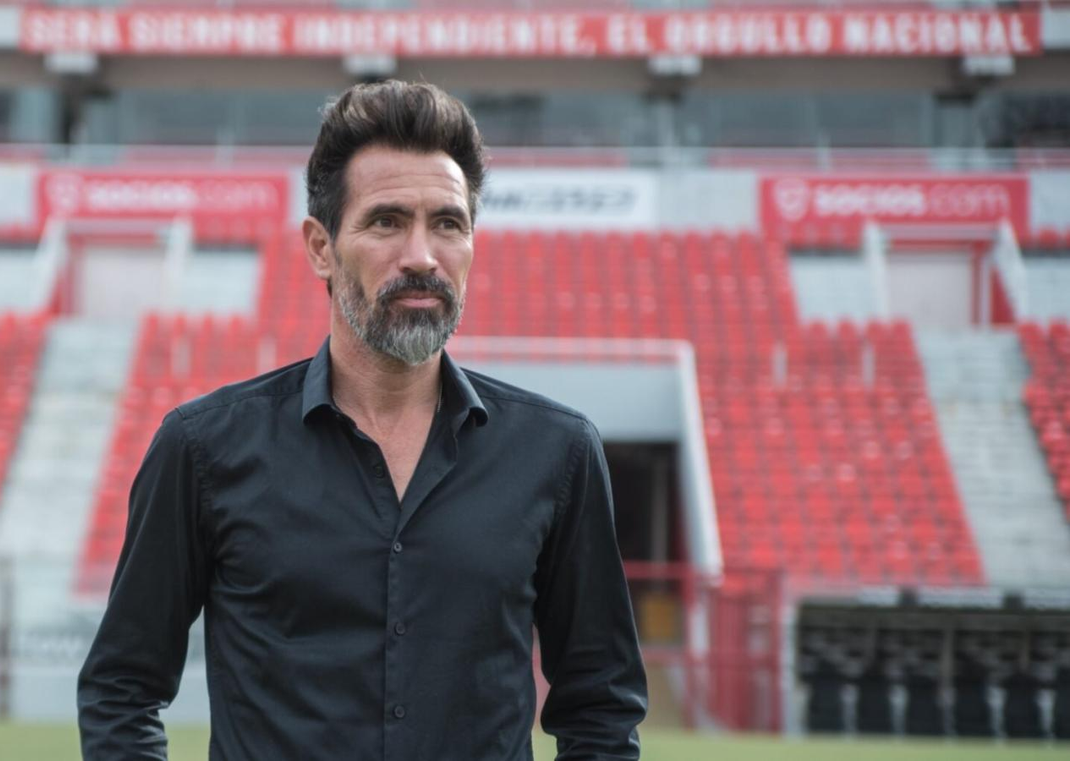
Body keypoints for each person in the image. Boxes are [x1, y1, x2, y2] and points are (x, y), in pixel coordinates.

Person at [78, 79, 647, 760]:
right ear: (321, 246)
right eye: (386, 221)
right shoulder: (203, 449)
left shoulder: (558, 453)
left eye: (448, 223)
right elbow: (121, 688)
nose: (422, 256)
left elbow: (601, 708)